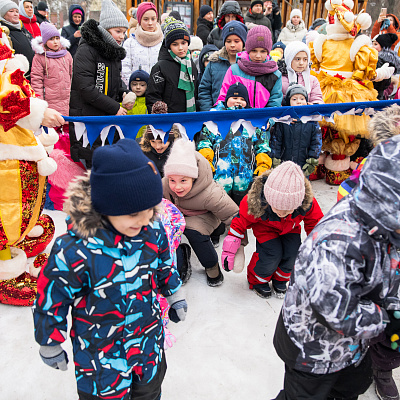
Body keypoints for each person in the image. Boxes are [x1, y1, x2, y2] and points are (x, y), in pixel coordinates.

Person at [33, 138, 186, 400]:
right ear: (106, 206)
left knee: (149, 392)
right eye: (132, 214)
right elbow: (52, 297)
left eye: (149, 209)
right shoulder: (75, 249)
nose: (143, 219)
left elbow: (163, 264)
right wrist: (50, 341)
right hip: (99, 359)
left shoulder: (152, 229)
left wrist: (174, 293)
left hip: (147, 345)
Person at [272, 134, 400, 400]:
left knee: (349, 388)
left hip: (351, 348)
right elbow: (339, 312)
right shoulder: (337, 245)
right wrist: (387, 319)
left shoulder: (382, 227)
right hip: (311, 350)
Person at [222, 161, 323, 298]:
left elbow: (316, 223)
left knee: (293, 252)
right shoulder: (255, 201)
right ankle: (258, 280)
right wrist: (231, 247)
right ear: (269, 199)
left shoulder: (306, 202)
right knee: (271, 254)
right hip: (265, 228)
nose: (282, 213)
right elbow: (240, 221)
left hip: (290, 227)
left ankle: (280, 279)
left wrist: (319, 246)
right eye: (277, 208)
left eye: (288, 209)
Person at [163, 139, 239, 287]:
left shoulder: (210, 192)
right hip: (177, 215)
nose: (177, 187)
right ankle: (178, 260)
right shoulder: (165, 185)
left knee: (194, 233)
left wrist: (238, 244)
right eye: (172, 180)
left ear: (193, 177)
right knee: (166, 231)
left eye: (183, 180)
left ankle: (211, 265)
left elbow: (233, 216)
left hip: (204, 214)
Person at [69, 0, 129, 168]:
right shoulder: (86, 50)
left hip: (106, 119)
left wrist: (123, 92)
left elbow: (115, 82)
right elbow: (86, 88)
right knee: (93, 168)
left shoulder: (114, 53)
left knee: (109, 165)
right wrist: (115, 107)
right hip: (89, 120)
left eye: (124, 32)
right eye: (118, 31)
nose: (121, 36)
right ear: (106, 30)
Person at [197, 82, 272, 205]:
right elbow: (204, 143)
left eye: (242, 99)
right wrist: (207, 163)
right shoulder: (214, 119)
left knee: (243, 209)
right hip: (219, 177)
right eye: (234, 98)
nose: (238, 101)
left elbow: (262, 146)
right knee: (220, 208)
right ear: (226, 100)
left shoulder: (253, 122)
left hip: (245, 178)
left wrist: (263, 165)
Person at [216, 24, 282, 108]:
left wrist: (270, 119)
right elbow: (223, 97)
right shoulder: (234, 70)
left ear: (268, 52)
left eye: (263, 51)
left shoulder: (275, 75)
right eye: (254, 51)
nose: (258, 56)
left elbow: (274, 103)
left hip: (262, 120)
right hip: (237, 118)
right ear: (248, 49)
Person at [146, 17, 197, 113]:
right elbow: (152, 97)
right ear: (169, 45)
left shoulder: (192, 65)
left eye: (183, 43)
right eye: (175, 44)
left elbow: (196, 94)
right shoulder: (160, 67)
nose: (181, 48)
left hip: (189, 118)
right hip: (168, 121)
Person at [270, 84, 322, 176]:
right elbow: (276, 140)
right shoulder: (283, 121)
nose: (299, 102)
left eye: (302, 99)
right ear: (288, 101)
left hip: (303, 161)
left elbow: (316, 141)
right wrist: (275, 157)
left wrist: (312, 159)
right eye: (294, 99)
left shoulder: (312, 120)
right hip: (284, 161)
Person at [198, 20, 247, 111]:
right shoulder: (214, 62)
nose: (232, 45)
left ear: (243, 42)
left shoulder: (249, 64)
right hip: (217, 115)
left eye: (236, 41)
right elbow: (204, 90)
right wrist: (209, 112)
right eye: (228, 41)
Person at [121, 2, 163, 85]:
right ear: (139, 20)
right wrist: (134, 86)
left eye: (153, 19)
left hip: (158, 92)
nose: (150, 23)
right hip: (136, 91)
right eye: (146, 19)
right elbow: (125, 68)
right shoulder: (130, 43)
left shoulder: (163, 42)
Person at [140, 101, 181, 177]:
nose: (157, 146)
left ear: (170, 140)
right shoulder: (142, 152)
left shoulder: (179, 153)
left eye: (162, 142)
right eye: (153, 141)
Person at [0, 0, 34, 80]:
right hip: (16, 80)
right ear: (2, 14)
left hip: (32, 76)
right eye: (11, 11)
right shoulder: (3, 32)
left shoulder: (21, 28)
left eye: (17, 11)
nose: (15, 14)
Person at [372, 33, 400, 100]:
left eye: (376, 44)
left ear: (383, 46)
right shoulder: (391, 58)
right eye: (372, 44)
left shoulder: (380, 59)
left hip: (380, 91)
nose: (372, 46)